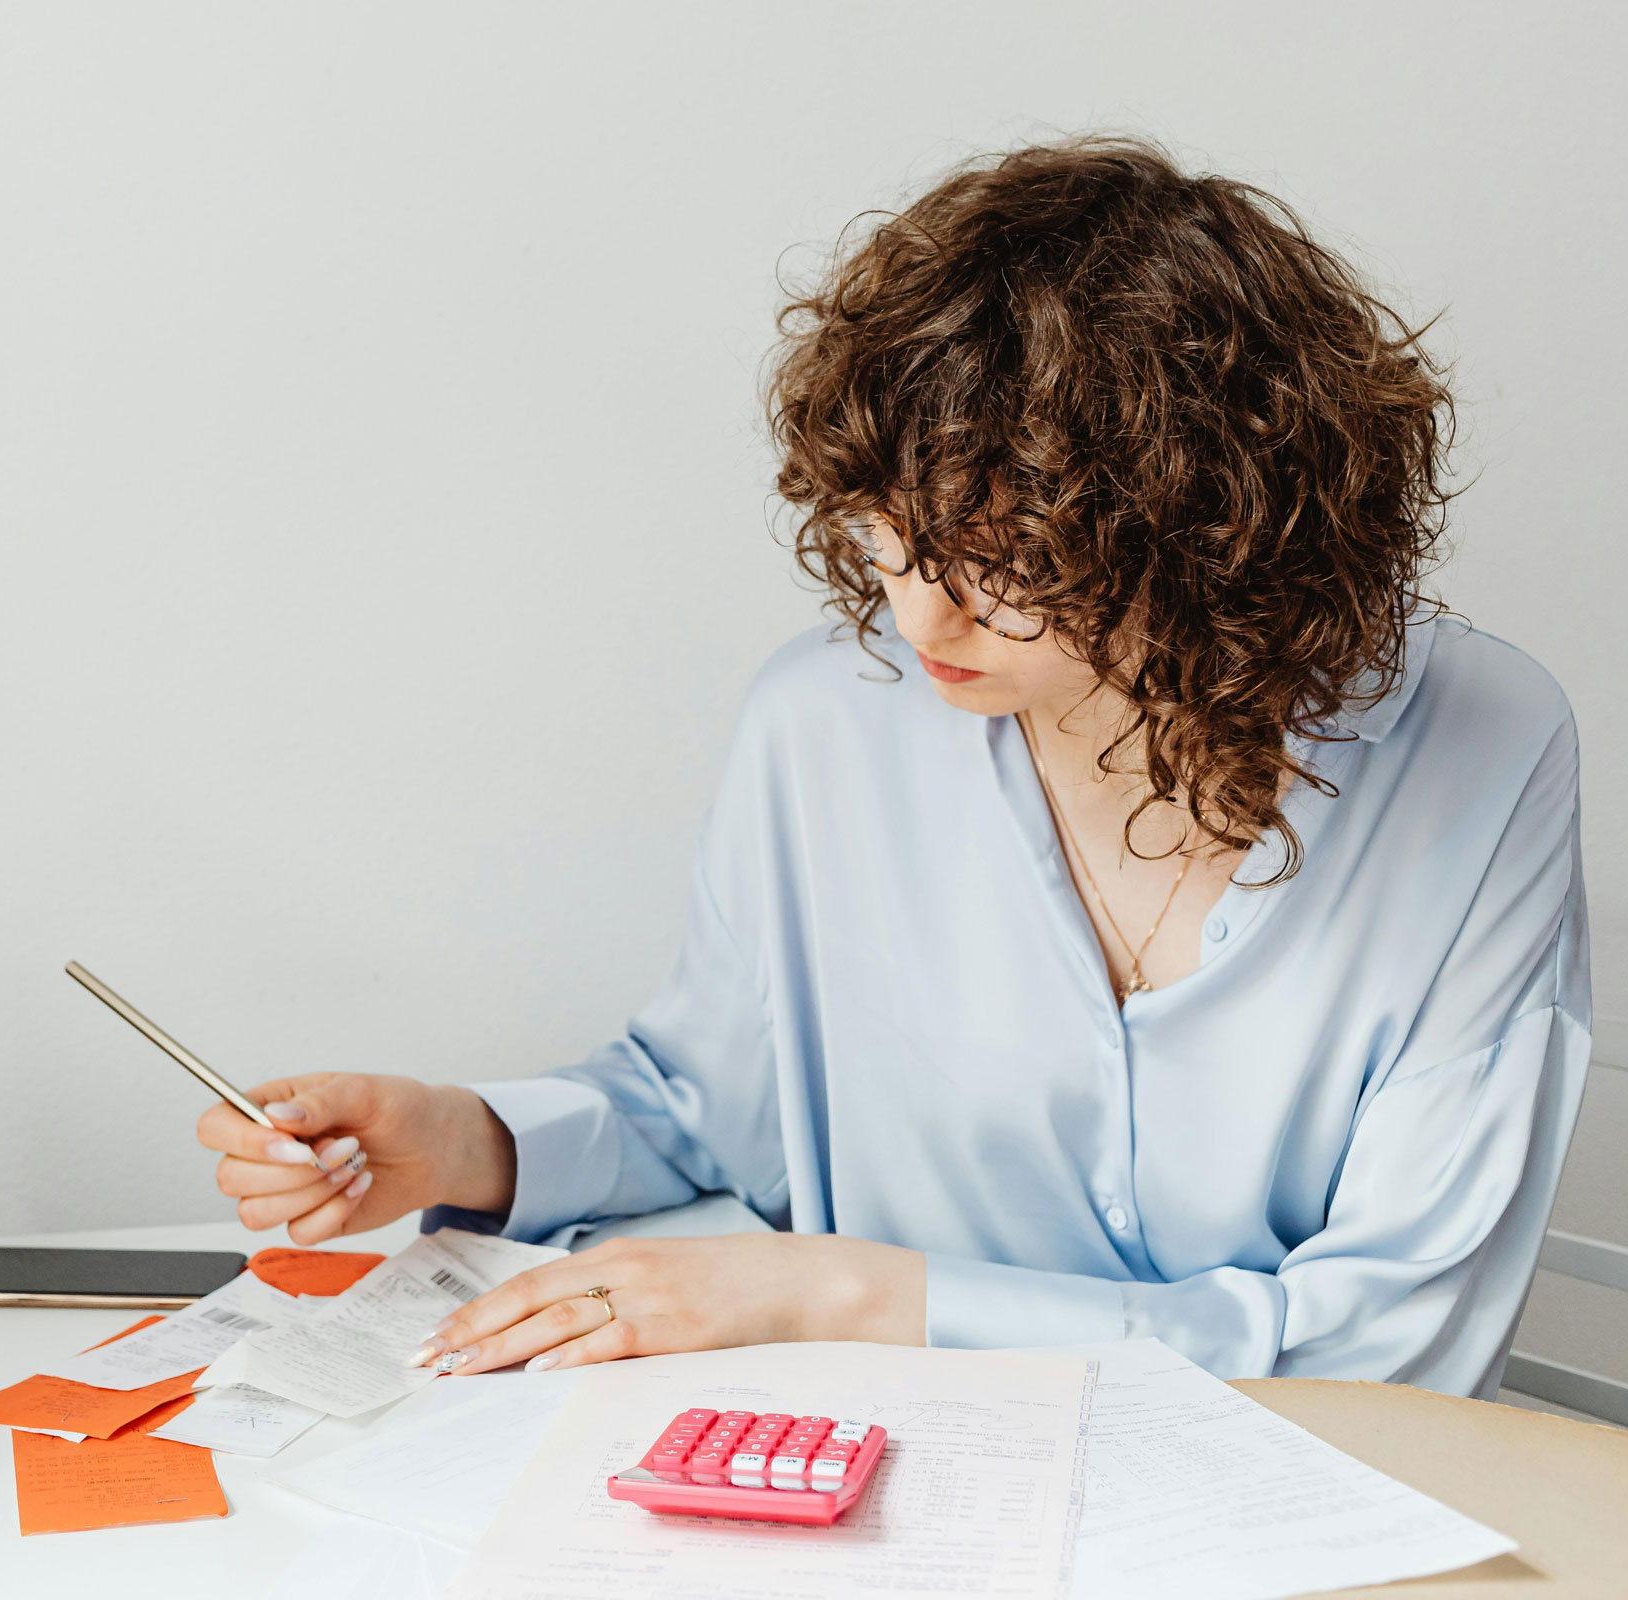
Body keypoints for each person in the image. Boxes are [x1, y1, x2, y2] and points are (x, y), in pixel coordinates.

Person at [195, 136, 1590, 1398]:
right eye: (889, 536)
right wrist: (466, 1141)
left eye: (1011, 562)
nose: (927, 617)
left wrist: (848, 1292)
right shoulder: (826, 726)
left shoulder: (1481, 750)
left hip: (1302, 1517)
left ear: (1211, 529)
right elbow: (712, 1108)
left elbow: (1393, 1342)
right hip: (899, 1492)